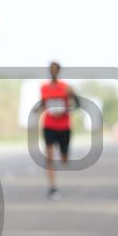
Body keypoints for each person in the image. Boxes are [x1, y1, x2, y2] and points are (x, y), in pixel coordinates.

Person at [38, 62, 79, 199]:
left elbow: (77, 104)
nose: (53, 72)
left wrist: (66, 110)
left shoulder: (66, 87)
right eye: (51, 69)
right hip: (49, 125)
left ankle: (65, 153)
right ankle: (53, 187)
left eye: (55, 69)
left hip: (64, 126)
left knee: (64, 159)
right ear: (49, 71)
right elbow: (43, 103)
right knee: (49, 156)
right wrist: (38, 110)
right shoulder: (44, 87)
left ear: (59, 71)